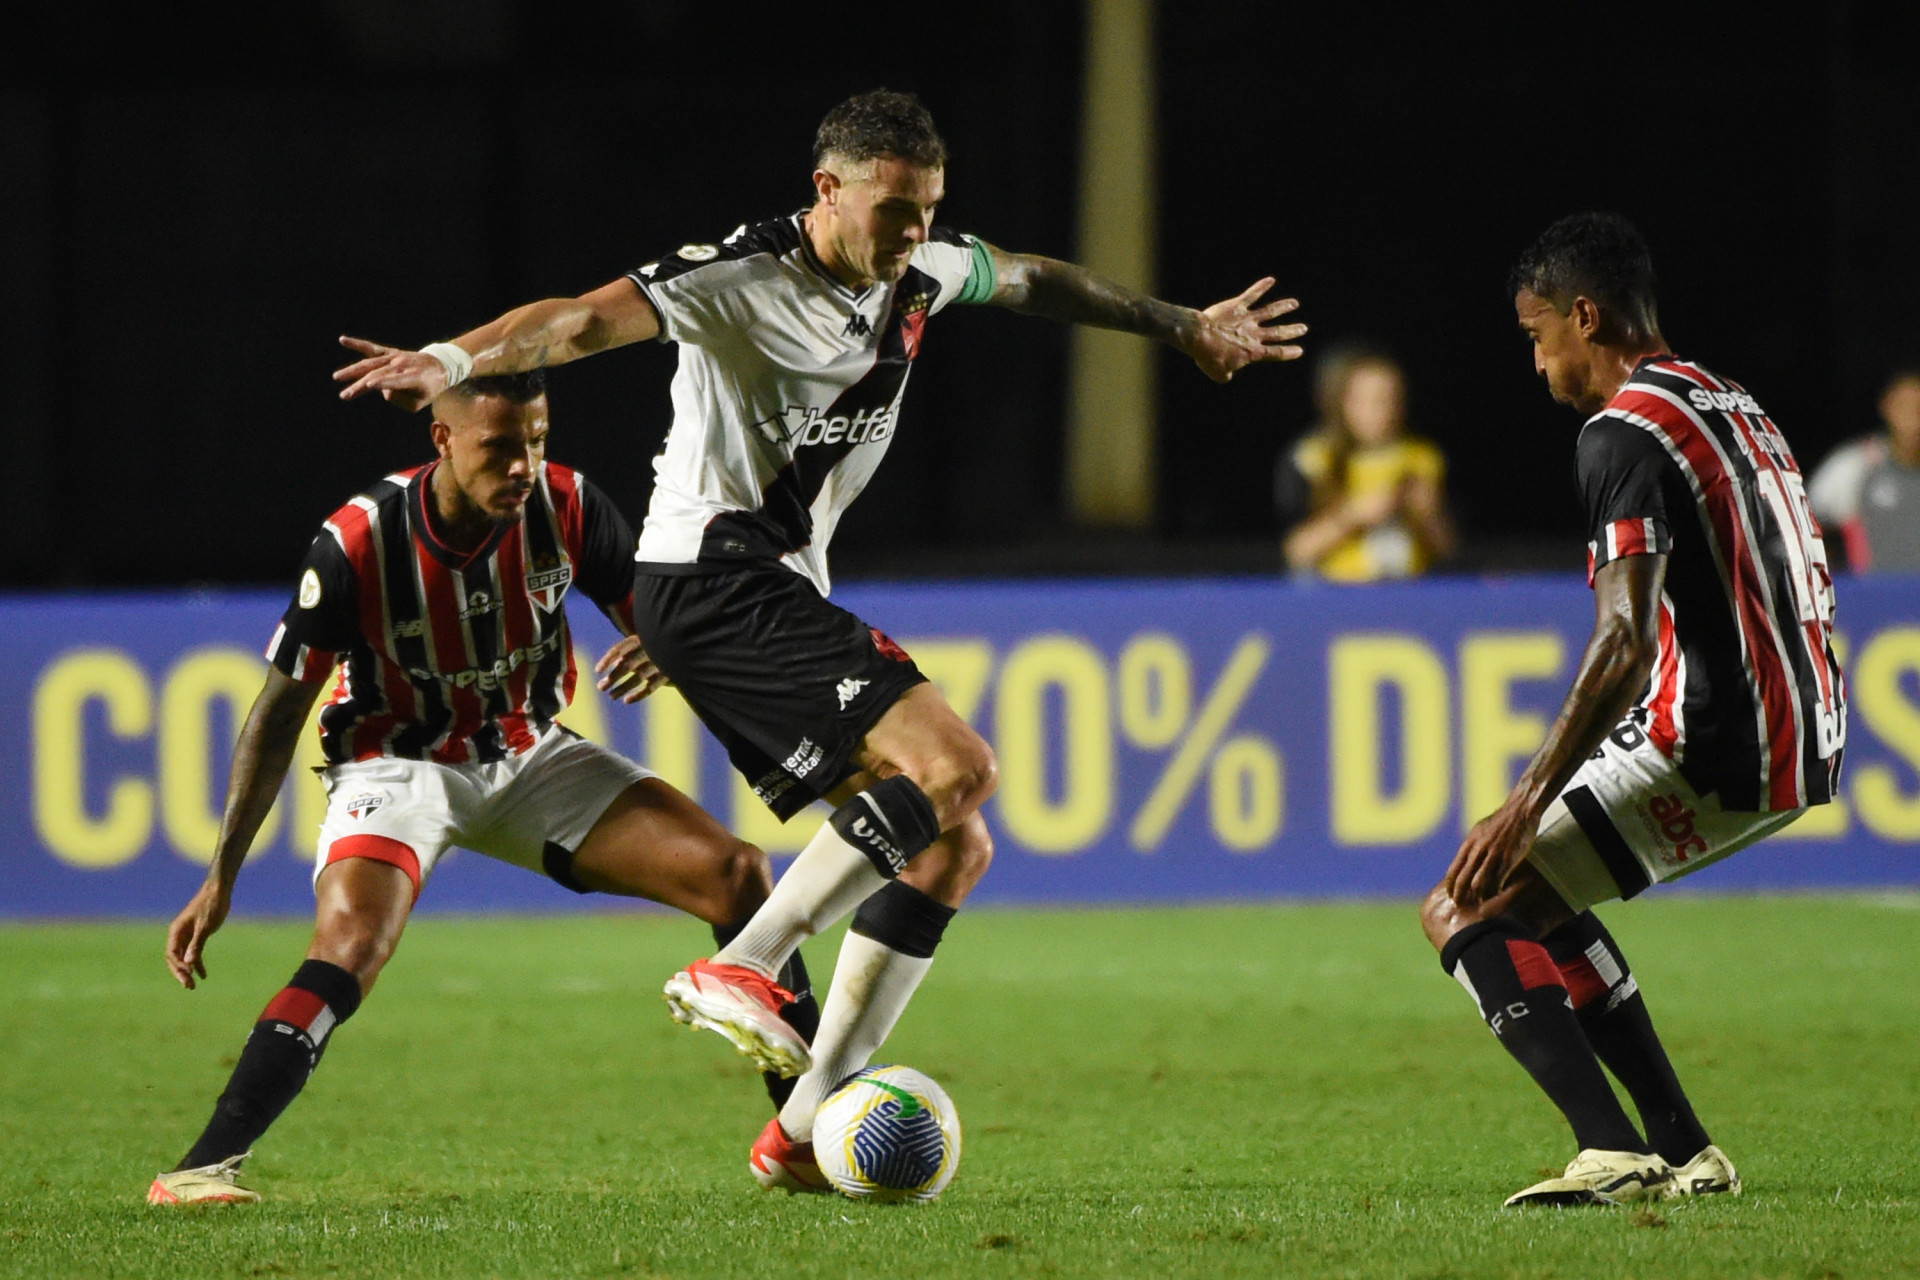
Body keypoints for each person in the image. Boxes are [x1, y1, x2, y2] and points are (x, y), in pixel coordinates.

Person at [332, 89, 1307, 1193]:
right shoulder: (742, 276)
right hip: (716, 574)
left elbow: (1033, 277)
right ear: (827, 191)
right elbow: (581, 319)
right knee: (959, 766)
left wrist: (1180, 323)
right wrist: (454, 361)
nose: (914, 237)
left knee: (951, 841)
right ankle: (741, 964)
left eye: (929, 211)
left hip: (748, 588)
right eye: (894, 211)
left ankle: (797, 1133)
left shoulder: (919, 271)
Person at [147, 372, 815, 1205]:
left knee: (741, 874)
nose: (525, 464)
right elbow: (278, 711)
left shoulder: (566, 503)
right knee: (351, 948)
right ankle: (199, 1168)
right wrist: (222, 875)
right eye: (502, 447)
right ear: (444, 443)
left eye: (537, 441)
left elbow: (659, 615)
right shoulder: (359, 542)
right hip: (397, 762)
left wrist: (668, 644)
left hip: (530, 754)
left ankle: (805, 1136)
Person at [1419, 213, 1845, 1208]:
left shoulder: (1619, 431)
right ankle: (1686, 1147)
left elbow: (1623, 638)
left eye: (1536, 335)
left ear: (1584, 315)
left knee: (1465, 899)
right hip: (1805, 726)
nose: (1537, 362)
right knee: (1540, 896)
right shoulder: (1726, 396)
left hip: (1715, 730)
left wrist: (1525, 797)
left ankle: (1609, 1148)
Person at [1278, 344, 1454, 578]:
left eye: (1390, 399)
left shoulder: (1422, 457)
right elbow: (1296, 552)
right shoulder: (1315, 457)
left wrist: (1428, 516)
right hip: (1338, 594)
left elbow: (1449, 550)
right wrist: (1353, 515)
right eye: (1366, 400)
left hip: (1409, 591)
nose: (1382, 412)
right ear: (1341, 402)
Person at [1805, 366, 1920, 571]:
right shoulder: (1855, 465)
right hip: (1871, 597)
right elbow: (1804, 525)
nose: (1913, 418)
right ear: (1886, 407)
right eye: (1905, 407)